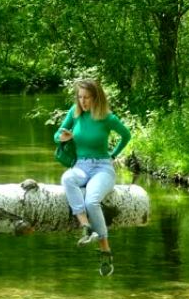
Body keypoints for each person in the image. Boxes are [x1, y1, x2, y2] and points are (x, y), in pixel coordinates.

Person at [54, 79, 131, 276]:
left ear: (96, 97)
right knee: (67, 179)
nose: (83, 102)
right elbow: (57, 134)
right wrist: (61, 137)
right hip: (81, 165)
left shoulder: (107, 117)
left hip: (102, 168)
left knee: (92, 200)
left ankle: (105, 251)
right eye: (80, 97)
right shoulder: (75, 112)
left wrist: (113, 155)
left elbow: (126, 135)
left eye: (86, 98)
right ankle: (85, 226)